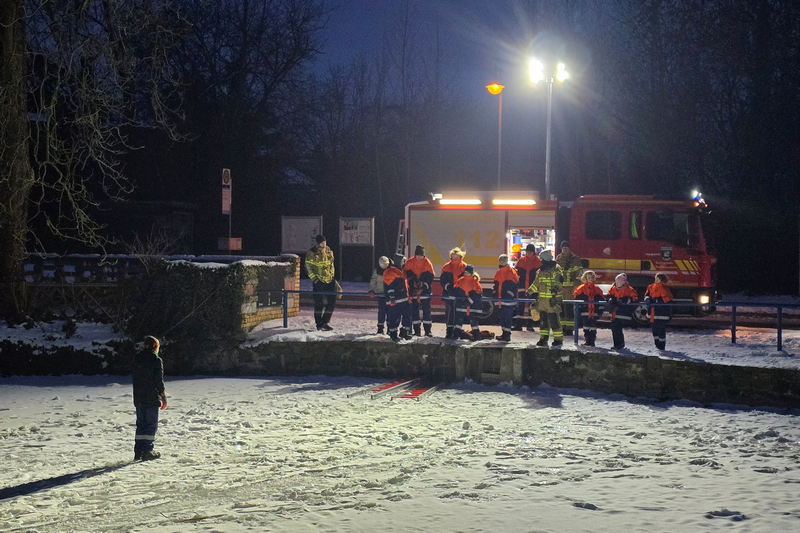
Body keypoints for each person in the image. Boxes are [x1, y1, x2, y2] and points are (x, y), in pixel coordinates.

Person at [132, 336, 166, 461]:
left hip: (138, 397)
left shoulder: (136, 359)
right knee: (151, 425)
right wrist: (163, 395)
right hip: (151, 397)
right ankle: (147, 451)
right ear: (155, 346)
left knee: (141, 424)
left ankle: (138, 452)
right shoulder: (156, 360)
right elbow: (158, 380)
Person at [526, 250, 564, 346]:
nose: (541, 261)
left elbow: (559, 281)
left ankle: (558, 340)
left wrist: (555, 289)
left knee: (554, 321)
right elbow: (536, 283)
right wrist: (529, 291)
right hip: (542, 302)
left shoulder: (556, 269)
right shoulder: (540, 271)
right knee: (543, 322)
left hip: (552, 301)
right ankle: (543, 339)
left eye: (542, 259)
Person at [305, 234, 337, 331]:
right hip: (319, 281)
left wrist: (332, 275)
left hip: (329, 280)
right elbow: (308, 266)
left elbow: (331, 264)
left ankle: (325, 322)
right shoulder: (312, 252)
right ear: (318, 243)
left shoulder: (328, 251)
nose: (324, 244)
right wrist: (315, 279)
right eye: (322, 243)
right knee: (319, 303)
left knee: (332, 301)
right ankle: (319, 324)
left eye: (324, 242)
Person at [404, 245, 435, 337]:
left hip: (425, 291)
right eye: (417, 255)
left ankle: (428, 331)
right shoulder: (410, 262)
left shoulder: (427, 263)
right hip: (413, 291)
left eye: (420, 255)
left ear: (423, 255)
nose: (419, 257)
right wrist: (413, 282)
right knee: (415, 311)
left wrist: (423, 284)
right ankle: (417, 330)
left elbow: (430, 277)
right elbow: (407, 274)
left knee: (426, 311)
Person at [556, 241, 584, 336]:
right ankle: (562, 327)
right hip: (561, 288)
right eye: (563, 248)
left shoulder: (575, 259)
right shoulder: (559, 258)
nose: (565, 250)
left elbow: (579, 273)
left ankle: (569, 329)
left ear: (569, 249)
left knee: (569, 309)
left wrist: (576, 286)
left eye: (566, 248)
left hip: (570, 288)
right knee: (561, 309)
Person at [383, 253, 412, 341]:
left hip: (404, 299)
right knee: (394, 318)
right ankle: (393, 334)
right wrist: (392, 297)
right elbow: (390, 286)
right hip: (395, 301)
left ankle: (404, 332)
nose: (404, 263)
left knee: (407, 316)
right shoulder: (391, 272)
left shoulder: (400, 271)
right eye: (403, 261)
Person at [606, 273, 638, 350]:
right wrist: (610, 299)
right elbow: (608, 295)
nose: (618, 282)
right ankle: (617, 345)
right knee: (615, 329)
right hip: (615, 312)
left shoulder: (629, 289)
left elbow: (635, 299)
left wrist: (625, 300)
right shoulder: (613, 288)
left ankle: (620, 344)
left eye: (620, 281)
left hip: (623, 313)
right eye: (617, 281)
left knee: (617, 329)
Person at [573, 270, 605, 347]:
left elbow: (601, 299)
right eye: (589, 277)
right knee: (586, 326)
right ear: (585, 278)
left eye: (592, 277)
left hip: (594, 311)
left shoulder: (597, 289)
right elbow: (577, 298)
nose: (590, 279)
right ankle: (588, 340)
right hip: (585, 311)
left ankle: (592, 341)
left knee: (593, 327)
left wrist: (600, 310)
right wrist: (579, 309)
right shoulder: (581, 288)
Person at [514, 244, 541, 331]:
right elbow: (515, 274)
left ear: (534, 252)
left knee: (532, 306)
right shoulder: (521, 261)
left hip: (533, 287)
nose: (529, 253)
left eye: (530, 252)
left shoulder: (538, 262)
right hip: (522, 286)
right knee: (520, 305)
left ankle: (530, 325)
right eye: (527, 252)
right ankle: (518, 325)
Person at [440, 247, 466, 339]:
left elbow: (467, 280)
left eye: (456, 256)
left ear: (460, 256)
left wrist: (459, 289)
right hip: (449, 293)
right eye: (453, 256)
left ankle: (456, 332)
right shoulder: (446, 266)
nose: (455, 258)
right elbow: (443, 280)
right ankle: (449, 332)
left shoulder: (464, 267)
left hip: (459, 294)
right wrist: (448, 287)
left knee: (458, 314)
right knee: (449, 313)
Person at [493, 254, 519, 342]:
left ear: (506, 261)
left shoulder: (510, 271)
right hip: (501, 300)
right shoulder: (499, 272)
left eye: (503, 261)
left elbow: (514, 285)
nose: (502, 262)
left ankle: (507, 335)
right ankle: (504, 334)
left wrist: (509, 294)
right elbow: (496, 285)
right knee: (503, 318)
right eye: (501, 261)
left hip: (507, 300)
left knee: (507, 318)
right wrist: (495, 293)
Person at [453, 264, 483, 340]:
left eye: (468, 273)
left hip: (471, 306)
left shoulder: (475, 281)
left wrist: (468, 300)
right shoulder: (461, 280)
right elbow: (455, 290)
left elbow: (478, 294)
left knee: (473, 322)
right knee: (459, 321)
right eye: (465, 272)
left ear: (471, 273)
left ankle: (477, 336)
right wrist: (462, 298)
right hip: (463, 305)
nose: (466, 274)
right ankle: (455, 335)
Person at [645, 273, 673, 350]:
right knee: (654, 329)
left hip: (661, 313)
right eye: (656, 278)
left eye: (657, 278)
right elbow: (647, 295)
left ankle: (661, 346)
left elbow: (668, 299)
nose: (656, 280)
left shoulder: (664, 288)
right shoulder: (651, 287)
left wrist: (657, 300)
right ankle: (657, 344)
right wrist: (648, 299)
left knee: (661, 329)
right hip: (653, 312)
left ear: (661, 280)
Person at [368, 256, 390, 334]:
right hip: (380, 294)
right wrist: (371, 289)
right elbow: (373, 280)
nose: (383, 267)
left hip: (389, 294)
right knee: (381, 311)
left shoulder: (391, 269)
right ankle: (380, 328)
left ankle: (390, 328)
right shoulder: (377, 271)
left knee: (390, 312)